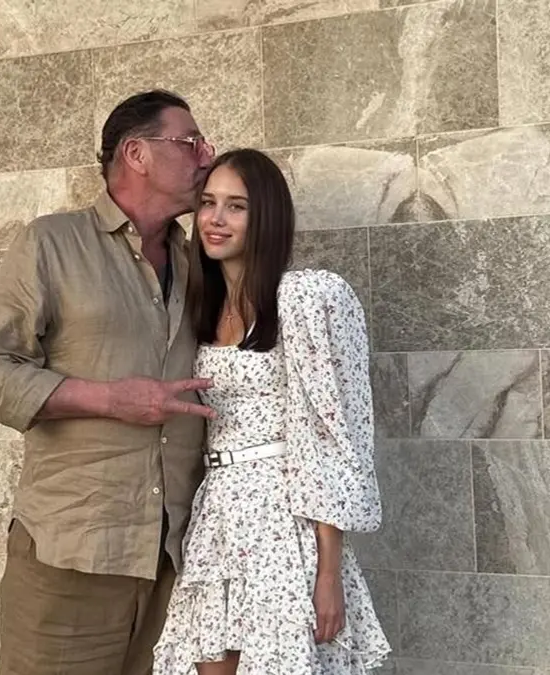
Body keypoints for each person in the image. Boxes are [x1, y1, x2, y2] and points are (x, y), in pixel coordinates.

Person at [0, 90, 218, 675]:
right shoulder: (51, 243)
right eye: (190, 142)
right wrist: (109, 399)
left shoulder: (201, 260)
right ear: (136, 153)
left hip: (174, 561)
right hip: (71, 558)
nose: (206, 155)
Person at [151, 148, 392, 675]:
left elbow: (332, 436)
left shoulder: (305, 297)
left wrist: (328, 573)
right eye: (208, 203)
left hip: (283, 520)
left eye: (236, 206)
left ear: (267, 218)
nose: (216, 219)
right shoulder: (198, 307)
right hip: (218, 516)